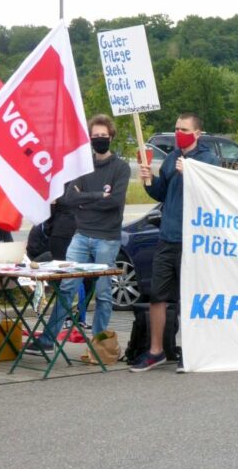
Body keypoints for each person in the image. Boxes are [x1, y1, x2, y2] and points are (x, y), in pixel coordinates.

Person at [25, 114, 130, 353]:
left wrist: (86, 200)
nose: (100, 140)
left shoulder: (121, 168)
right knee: (67, 286)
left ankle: (100, 343)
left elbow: (115, 202)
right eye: (95, 136)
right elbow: (69, 198)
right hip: (81, 235)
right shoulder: (83, 167)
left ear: (111, 137)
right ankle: (48, 339)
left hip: (106, 237)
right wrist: (95, 196)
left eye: (104, 136)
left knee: (103, 292)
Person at [131, 113, 220, 372]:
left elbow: (209, 193)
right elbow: (161, 192)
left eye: (184, 129)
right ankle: (156, 351)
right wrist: (149, 179)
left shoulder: (207, 159)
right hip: (167, 237)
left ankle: (191, 351)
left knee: (187, 297)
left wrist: (192, 173)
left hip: (191, 240)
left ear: (197, 133)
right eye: (176, 128)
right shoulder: (172, 158)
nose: (178, 132)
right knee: (157, 295)